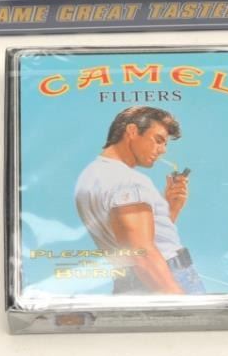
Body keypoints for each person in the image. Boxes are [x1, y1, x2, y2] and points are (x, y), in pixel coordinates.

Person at [73, 106, 205, 294]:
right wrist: (178, 301)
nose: (162, 150)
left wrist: (170, 208)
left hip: (130, 282)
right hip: (164, 278)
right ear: (132, 131)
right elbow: (143, 255)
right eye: (158, 140)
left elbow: (131, 239)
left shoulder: (91, 174)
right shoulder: (128, 181)